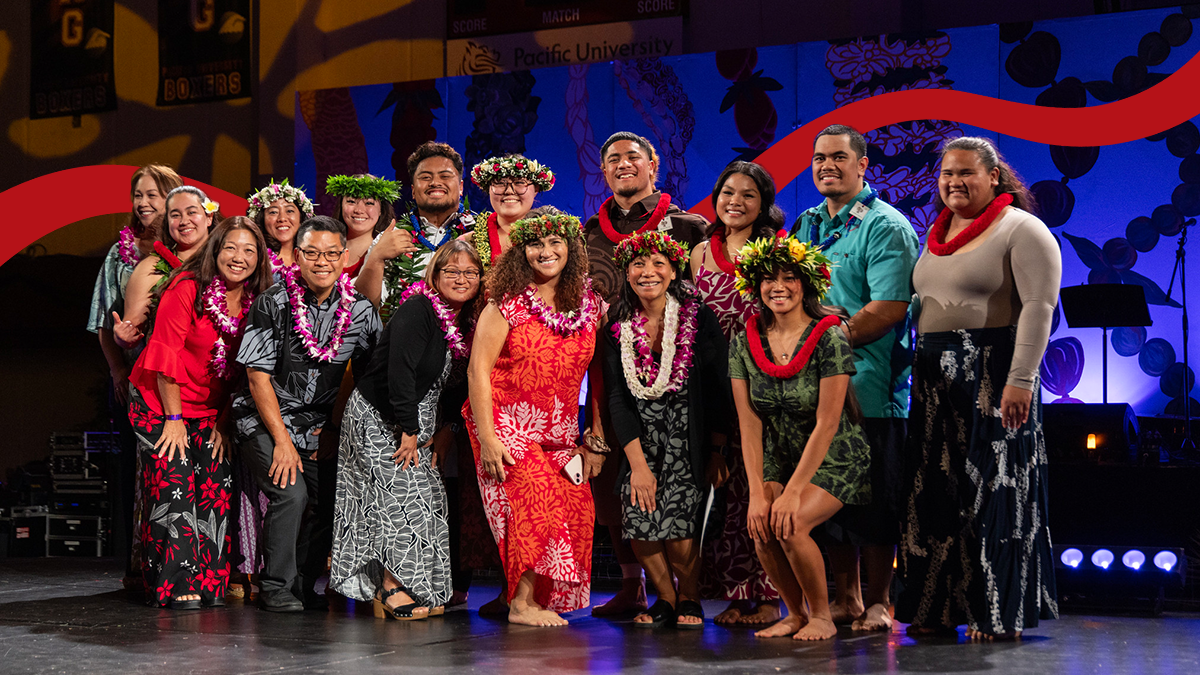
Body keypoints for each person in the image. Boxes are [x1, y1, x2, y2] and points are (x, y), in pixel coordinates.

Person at [897, 136, 1060, 640]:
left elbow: (1039, 307)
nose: (954, 182)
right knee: (934, 492)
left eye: (966, 172)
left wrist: (1021, 379)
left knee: (993, 489)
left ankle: (997, 611)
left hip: (992, 370)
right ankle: (937, 606)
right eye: (947, 173)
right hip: (933, 377)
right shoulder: (936, 233)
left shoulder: (1021, 229)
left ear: (994, 176)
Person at [791, 124, 919, 632]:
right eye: (819, 158)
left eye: (839, 157)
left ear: (863, 165)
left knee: (876, 501)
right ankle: (846, 598)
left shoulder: (886, 225)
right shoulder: (806, 223)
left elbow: (888, 307)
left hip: (872, 388)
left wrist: (828, 341)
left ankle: (879, 601)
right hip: (817, 390)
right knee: (832, 498)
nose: (827, 166)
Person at [584, 131, 709, 616]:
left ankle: (687, 592)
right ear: (603, 170)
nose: (623, 165)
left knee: (679, 490)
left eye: (633, 157)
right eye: (613, 159)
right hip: (610, 373)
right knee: (617, 485)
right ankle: (633, 585)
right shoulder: (588, 234)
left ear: (653, 164)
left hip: (678, 380)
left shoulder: (689, 227)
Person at [464, 206, 606, 627]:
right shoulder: (505, 305)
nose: (546, 251)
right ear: (520, 251)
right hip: (505, 421)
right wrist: (488, 438)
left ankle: (540, 597)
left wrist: (595, 438)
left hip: (561, 430)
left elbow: (600, 375)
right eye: (535, 244)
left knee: (577, 507)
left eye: (555, 242)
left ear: (571, 248)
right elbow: (477, 371)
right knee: (534, 500)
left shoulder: (590, 305)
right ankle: (521, 604)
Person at [232, 216, 382, 612]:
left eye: (331, 254)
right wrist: (282, 441)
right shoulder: (272, 302)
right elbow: (257, 377)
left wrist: (335, 428)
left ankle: (302, 582)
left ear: (344, 257)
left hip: (318, 426)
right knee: (291, 492)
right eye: (312, 253)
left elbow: (367, 377)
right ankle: (275, 586)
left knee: (331, 494)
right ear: (297, 256)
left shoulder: (360, 310)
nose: (322, 262)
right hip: (263, 419)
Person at [729, 233, 872, 641]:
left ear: (806, 283)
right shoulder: (745, 341)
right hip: (779, 450)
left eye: (789, 277)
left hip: (834, 452)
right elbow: (748, 423)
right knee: (761, 525)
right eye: (768, 279)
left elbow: (828, 422)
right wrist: (757, 493)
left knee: (790, 524)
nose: (778, 286)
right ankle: (794, 613)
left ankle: (821, 616)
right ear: (755, 286)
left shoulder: (829, 336)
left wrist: (792, 492)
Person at [332, 240, 483, 620]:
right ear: (435, 274)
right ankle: (388, 587)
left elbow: (459, 386)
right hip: (381, 417)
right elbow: (400, 373)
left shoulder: (468, 321)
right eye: (452, 271)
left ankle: (421, 585)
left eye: (470, 272)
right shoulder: (419, 309)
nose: (461, 279)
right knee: (399, 499)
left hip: (420, 422)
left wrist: (448, 428)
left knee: (429, 500)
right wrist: (409, 430)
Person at [126, 216, 271, 608]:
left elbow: (244, 372)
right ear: (214, 250)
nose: (239, 257)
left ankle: (209, 582)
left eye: (249, 250)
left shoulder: (259, 302)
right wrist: (173, 420)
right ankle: (172, 583)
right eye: (230, 248)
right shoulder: (186, 288)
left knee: (214, 487)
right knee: (175, 486)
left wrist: (223, 421)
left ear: (260, 259)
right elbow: (164, 356)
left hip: (210, 411)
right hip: (160, 401)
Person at [602, 231, 731, 629]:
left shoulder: (697, 317)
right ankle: (665, 597)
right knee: (639, 518)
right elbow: (617, 398)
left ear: (674, 271)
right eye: (638, 264)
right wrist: (638, 465)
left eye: (658, 263)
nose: (648, 272)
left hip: (686, 438)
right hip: (639, 438)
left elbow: (719, 388)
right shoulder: (616, 325)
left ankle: (689, 597)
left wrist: (717, 451)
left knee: (680, 523)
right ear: (627, 273)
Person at [690, 161, 783, 626]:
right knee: (725, 491)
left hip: (763, 382)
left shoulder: (777, 250)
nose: (736, 202)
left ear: (763, 204)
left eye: (749, 195)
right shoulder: (699, 253)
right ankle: (735, 590)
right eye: (728, 192)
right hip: (713, 382)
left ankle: (771, 594)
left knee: (761, 487)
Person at [87, 164, 183, 595]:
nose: (143, 203)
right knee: (137, 470)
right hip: (136, 376)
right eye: (137, 195)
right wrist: (118, 370)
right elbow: (104, 321)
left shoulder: (196, 247)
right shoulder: (121, 255)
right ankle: (139, 565)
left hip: (186, 376)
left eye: (153, 195)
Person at [357, 142, 466, 321]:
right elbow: (361, 309)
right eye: (425, 177)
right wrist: (376, 257)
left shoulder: (479, 234)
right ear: (414, 191)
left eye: (445, 176)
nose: (435, 182)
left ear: (461, 187)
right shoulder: (390, 237)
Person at [114, 185, 221, 349]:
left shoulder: (226, 262)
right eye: (175, 215)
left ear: (209, 218)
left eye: (192, 212)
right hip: (169, 361)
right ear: (167, 222)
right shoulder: (151, 269)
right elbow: (132, 328)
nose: (184, 221)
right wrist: (123, 337)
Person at [462, 154, 555, 269]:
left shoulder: (555, 238)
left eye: (519, 183)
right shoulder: (467, 243)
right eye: (500, 183)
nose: (509, 191)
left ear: (536, 189)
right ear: (488, 189)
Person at [325, 173, 401, 279]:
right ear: (341, 205)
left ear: (381, 210)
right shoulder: (324, 245)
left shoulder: (391, 251)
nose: (359, 210)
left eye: (369, 203)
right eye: (351, 201)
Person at [247, 179, 316, 281]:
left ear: (301, 219)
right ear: (262, 220)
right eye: (273, 212)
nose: (282, 218)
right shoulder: (255, 259)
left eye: (289, 211)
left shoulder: (314, 258)